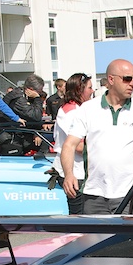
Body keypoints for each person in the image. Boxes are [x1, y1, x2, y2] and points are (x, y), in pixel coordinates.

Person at [60, 59, 133, 215]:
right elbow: (69, 145)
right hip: (94, 195)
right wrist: (68, 174)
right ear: (111, 79)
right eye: (127, 78)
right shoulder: (88, 109)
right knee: (94, 240)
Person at [52, 73, 93, 214]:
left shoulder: (74, 109)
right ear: (79, 90)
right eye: (89, 88)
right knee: (80, 217)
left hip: (77, 169)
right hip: (75, 171)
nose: (92, 91)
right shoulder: (72, 112)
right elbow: (79, 147)